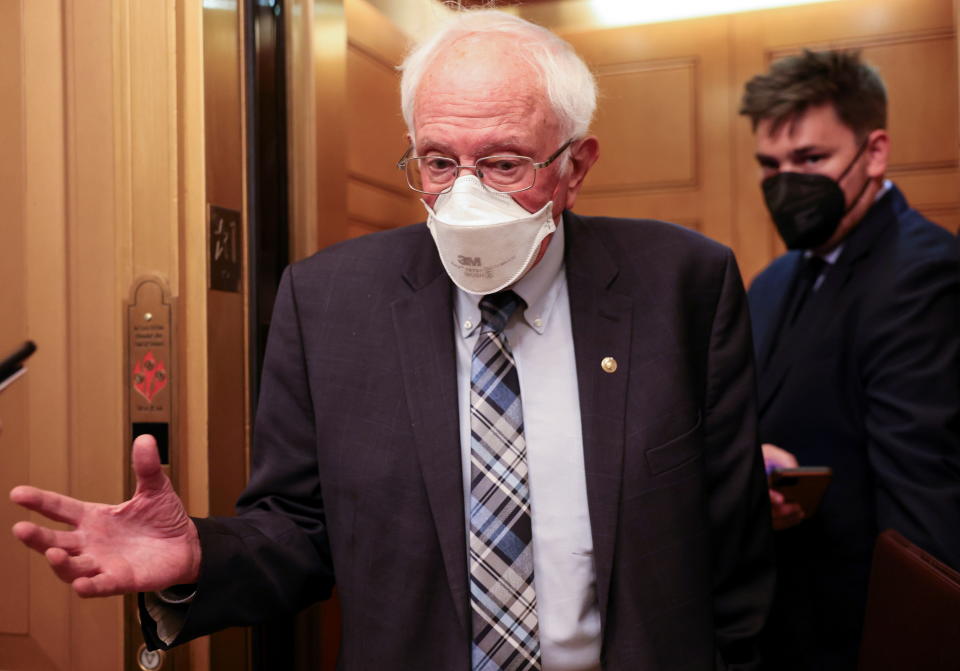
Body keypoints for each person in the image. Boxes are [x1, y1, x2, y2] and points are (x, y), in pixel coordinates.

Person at [11, 10, 774, 670]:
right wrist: (197, 559)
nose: (466, 194)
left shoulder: (683, 284)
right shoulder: (330, 301)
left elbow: (734, 548)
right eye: (440, 162)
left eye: (504, 163)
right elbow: (300, 531)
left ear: (575, 167)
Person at [740, 49, 960, 670]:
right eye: (770, 164)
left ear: (876, 151)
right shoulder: (776, 278)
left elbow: (924, 495)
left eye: (811, 159)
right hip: (779, 618)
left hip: (862, 625)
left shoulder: (924, 271)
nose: (787, 183)